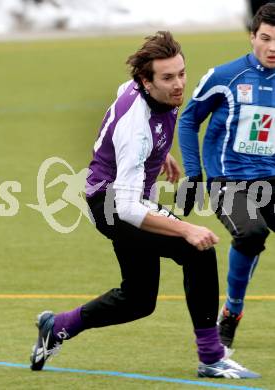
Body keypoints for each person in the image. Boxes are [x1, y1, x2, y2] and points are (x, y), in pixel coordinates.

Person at [30, 31, 259, 379]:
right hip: (112, 205)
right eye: (168, 77)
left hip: (121, 196)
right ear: (146, 81)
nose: (179, 83)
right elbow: (128, 209)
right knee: (196, 249)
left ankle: (56, 325)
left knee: (138, 300)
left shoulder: (145, 92)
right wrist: (186, 227)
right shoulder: (135, 129)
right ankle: (211, 357)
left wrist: (159, 150)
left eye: (181, 72)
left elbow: (122, 116)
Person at [178, 3, 275, 350]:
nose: (272, 47)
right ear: (252, 37)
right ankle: (232, 312)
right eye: (265, 38)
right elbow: (189, 121)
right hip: (228, 180)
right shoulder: (226, 76)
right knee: (251, 232)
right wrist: (193, 174)